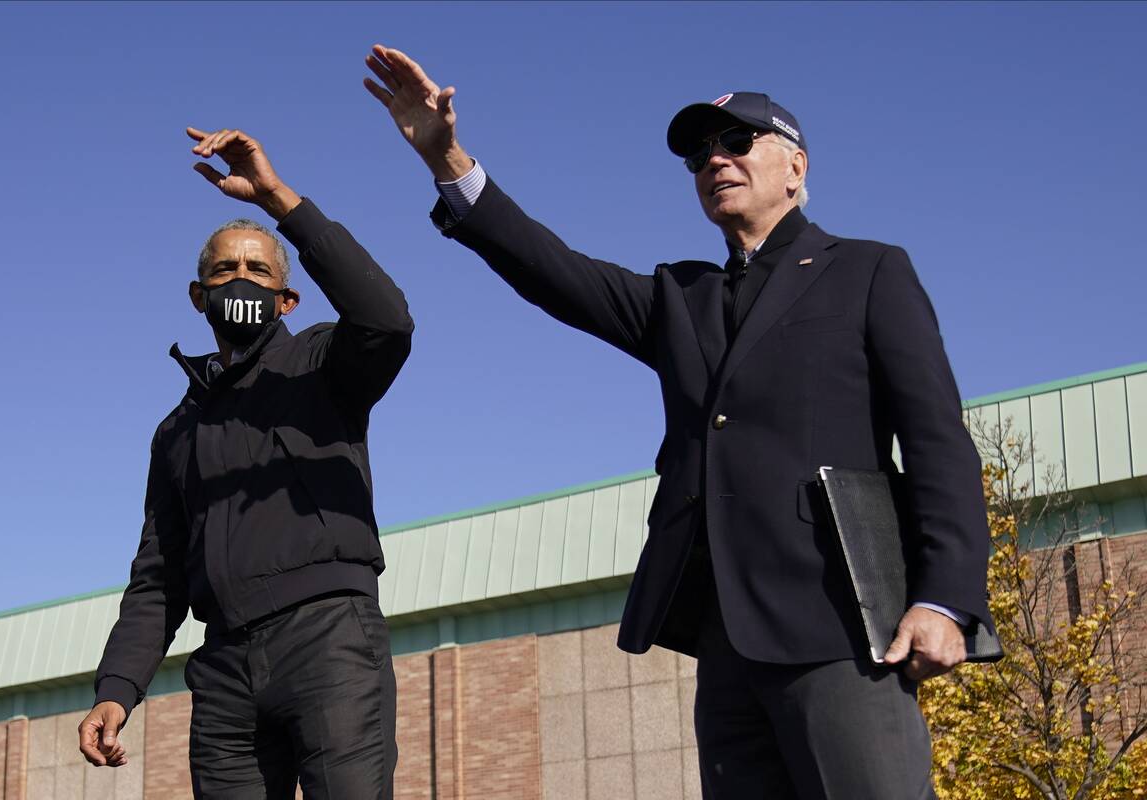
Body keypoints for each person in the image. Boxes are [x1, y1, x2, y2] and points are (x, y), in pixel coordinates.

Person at [364, 45, 993, 800]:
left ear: (796, 167)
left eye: (736, 141)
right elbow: (554, 271)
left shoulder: (868, 271)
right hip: (725, 643)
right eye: (699, 154)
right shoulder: (681, 298)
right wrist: (449, 160)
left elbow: (937, 446)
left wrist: (944, 597)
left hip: (843, 628)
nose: (714, 161)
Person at [77, 127, 412, 799]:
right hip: (224, 672)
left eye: (259, 270)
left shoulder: (323, 364)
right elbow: (158, 578)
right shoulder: (175, 431)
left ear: (288, 301)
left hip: (331, 643)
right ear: (198, 297)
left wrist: (280, 200)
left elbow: (386, 319)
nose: (241, 279)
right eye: (224, 270)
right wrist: (116, 690)